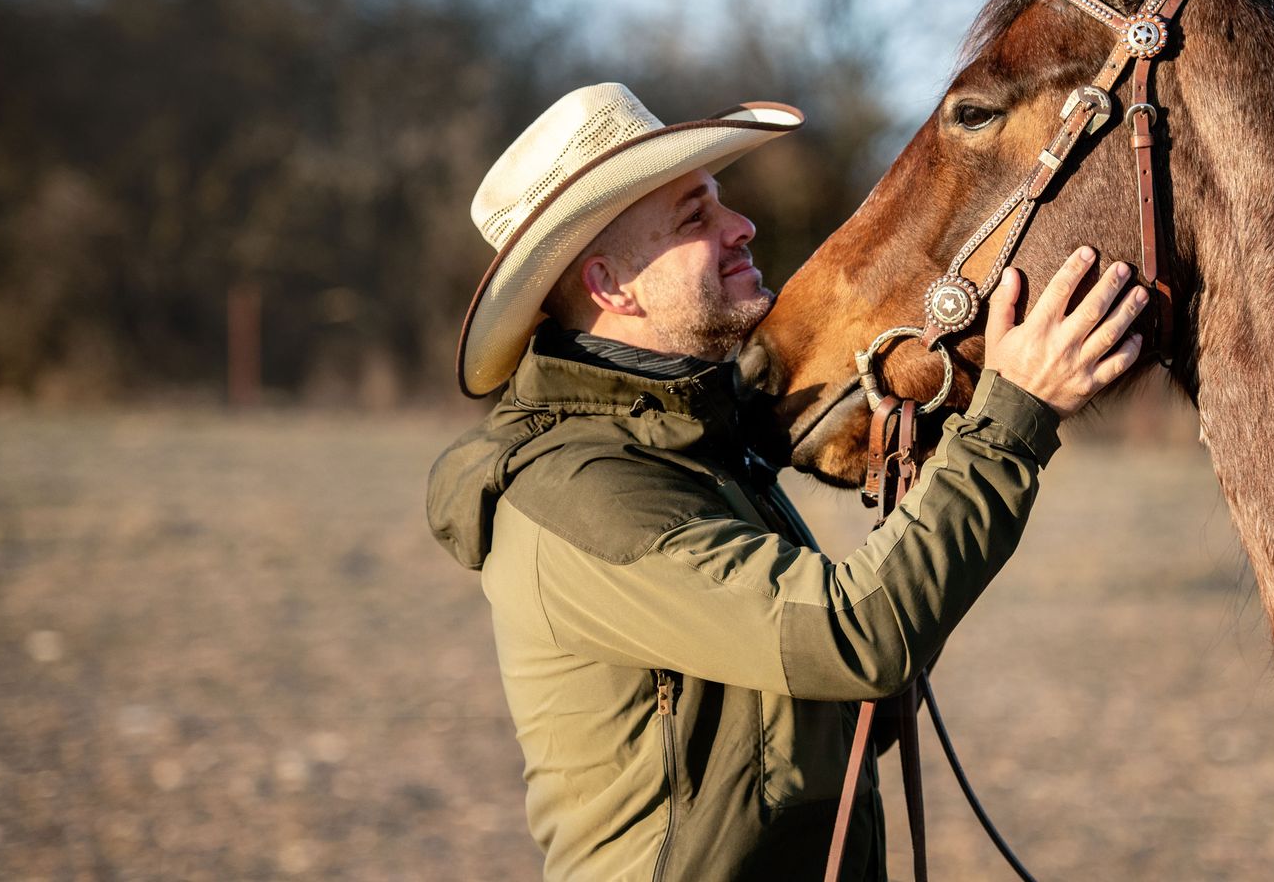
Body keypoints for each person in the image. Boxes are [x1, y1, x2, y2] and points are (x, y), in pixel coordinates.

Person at [426, 83, 1148, 881]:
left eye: (720, 203)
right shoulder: (583, 492)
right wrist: (1016, 415)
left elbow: (833, 710)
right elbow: (850, 639)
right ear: (610, 286)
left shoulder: (695, 453)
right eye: (695, 218)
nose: (742, 227)